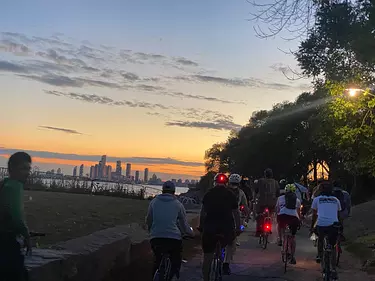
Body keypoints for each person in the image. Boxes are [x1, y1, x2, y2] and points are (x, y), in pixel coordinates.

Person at [146, 180, 194, 280]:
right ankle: (174, 276)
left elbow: (149, 220)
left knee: (157, 260)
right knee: (176, 260)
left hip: (156, 238)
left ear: (162, 191)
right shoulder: (178, 204)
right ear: (174, 192)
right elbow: (184, 224)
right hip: (173, 239)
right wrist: (190, 233)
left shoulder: (153, 202)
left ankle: (155, 274)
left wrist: (151, 230)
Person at [198, 173, 241, 281]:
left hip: (210, 229)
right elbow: (236, 213)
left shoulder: (208, 194)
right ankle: (226, 263)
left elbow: (203, 213)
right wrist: (238, 228)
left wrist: (201, 226)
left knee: (207, 257)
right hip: (226, 229)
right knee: (231, 242)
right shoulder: (230, 194)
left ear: (214, 182)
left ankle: (206, 278)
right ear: (226, 183)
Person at [0, 152, 32, 281]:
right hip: (6, 242)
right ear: (11, 168)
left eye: (28, 168)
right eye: (23, 168)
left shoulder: (4, 184)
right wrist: (27, 236)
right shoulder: (14, 187)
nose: (27, 172)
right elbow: (17, 217)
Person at [310, 181, 341, 280]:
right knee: (332, 246)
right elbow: (338, 215)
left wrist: (312, 227)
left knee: (320, 238)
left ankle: (319, 255)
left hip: (321, 224)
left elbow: (314, 215)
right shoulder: (336, 200)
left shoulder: (317, 199)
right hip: (333, 225)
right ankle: (333, 270)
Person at [222, 173, 248, 274]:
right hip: (232, 218)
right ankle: (226, 264)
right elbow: (245, 206)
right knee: (231, 243)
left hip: (220, 216)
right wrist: (247, 215)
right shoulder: (240, 192)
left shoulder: (223, 190)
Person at [275, 183, 301, 264]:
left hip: (282, 216)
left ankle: (280, 238)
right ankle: (292, 257)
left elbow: (277, 209)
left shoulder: (280, 198)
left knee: (280, 225)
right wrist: (299, 221)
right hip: (293, 218)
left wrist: (277, 217)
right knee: (292, 237)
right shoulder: (297, 200)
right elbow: (298, 213)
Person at [254, 168, 280, 236]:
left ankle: (258, 231)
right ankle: (269, 227)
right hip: (272, 203)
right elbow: (278, 193)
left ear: (265, 174)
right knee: (270, 214)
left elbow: (256, 190)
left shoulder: (260, 181)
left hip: (261, 203)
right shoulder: (275, 182)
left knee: (259, 215)